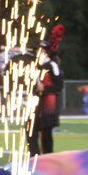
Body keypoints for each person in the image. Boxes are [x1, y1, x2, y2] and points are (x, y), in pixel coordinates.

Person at [28, 25, 65, 155]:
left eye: (40, 50)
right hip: (36, 102)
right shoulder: (36, 66)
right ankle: (34, 156)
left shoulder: (52, 65)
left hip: (49, 103)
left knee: (46, 133)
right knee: (30, 129)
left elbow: (59, 86)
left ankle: (48, 157)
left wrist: (45, 88)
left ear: (45, 52)